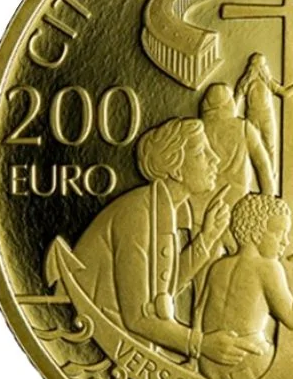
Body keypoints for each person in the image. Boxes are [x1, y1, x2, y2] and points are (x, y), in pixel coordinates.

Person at [56, 118, 262, 366]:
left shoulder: (166, 209)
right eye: (201, 153)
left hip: (125, 346)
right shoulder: (137, 213)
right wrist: (199, 344)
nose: (215, 159)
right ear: (175, 168)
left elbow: (164, 290)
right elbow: (137, 317)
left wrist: (206, 238)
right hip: (91, 342)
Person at [198, 194, 293, 379]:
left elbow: (198, 311)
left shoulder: (218, 266)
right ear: (255, 233)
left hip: (208, 365)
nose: (285, 241)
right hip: (248, 362)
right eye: (279, 233)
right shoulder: (268, 267)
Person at [199, 83, 276, 206]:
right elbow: (262, 163)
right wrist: (268, 194)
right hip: (238, 197)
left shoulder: (199, 129)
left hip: (204, 198)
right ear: (228, 103)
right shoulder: (244, 128)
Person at [235, 52, 293, 167]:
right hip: (261, 117)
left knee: (260, 147)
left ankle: (270, 173)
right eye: (263, 65)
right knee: (267, 147)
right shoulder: (257, 81)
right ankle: (269, 172)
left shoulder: (250, 82)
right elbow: (284, 93)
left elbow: (235, 105)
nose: (264, 67)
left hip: (257, 117)